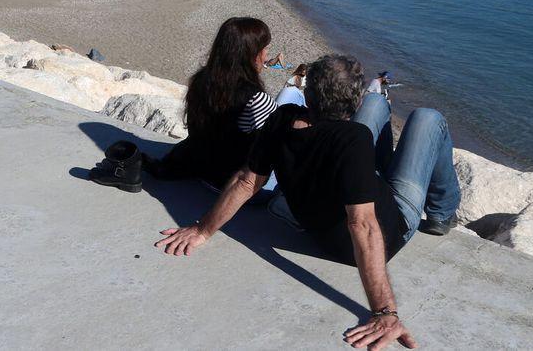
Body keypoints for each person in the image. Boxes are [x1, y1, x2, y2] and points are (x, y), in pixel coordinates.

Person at [156, 54, 461, 350]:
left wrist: (203, 230)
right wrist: (385, 312)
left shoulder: (282, 120)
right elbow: (364, 225)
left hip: (326, 228)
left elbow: (247, 180)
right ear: (352, 102)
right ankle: (441, 212)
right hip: (390, 228)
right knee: (428, 118)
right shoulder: (352, 138)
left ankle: (380, 164)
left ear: (309, 93)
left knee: (377, 102)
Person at [144, 18, 279, 192]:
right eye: (265, 49)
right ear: (252, 54)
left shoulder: (201, 80)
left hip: (198, 166)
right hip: (229, 184)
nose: (266, 56)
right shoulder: (256, 98)